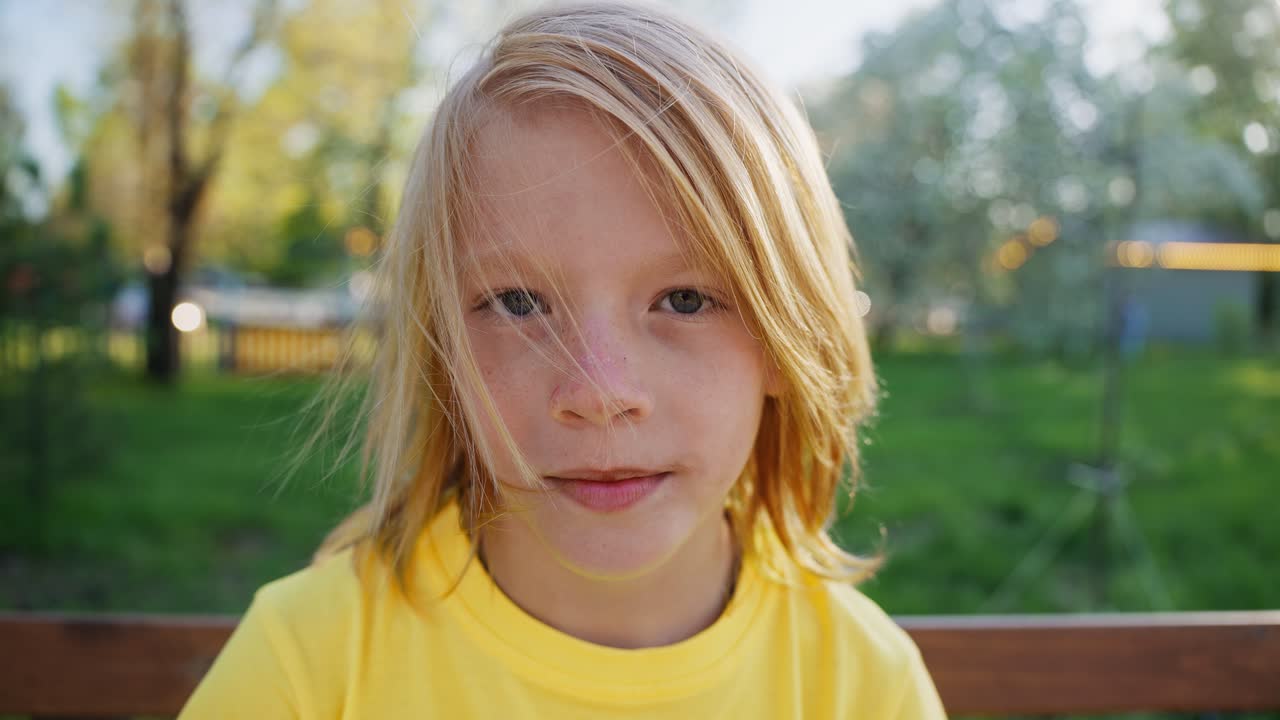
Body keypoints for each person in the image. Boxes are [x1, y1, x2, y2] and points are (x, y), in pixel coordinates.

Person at [178, 1, 946, 717]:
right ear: (441, 345)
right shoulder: (306, 665)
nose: (599, 391)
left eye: (685, 299)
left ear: (787, 338)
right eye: (518, 303)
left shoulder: (864, 684)